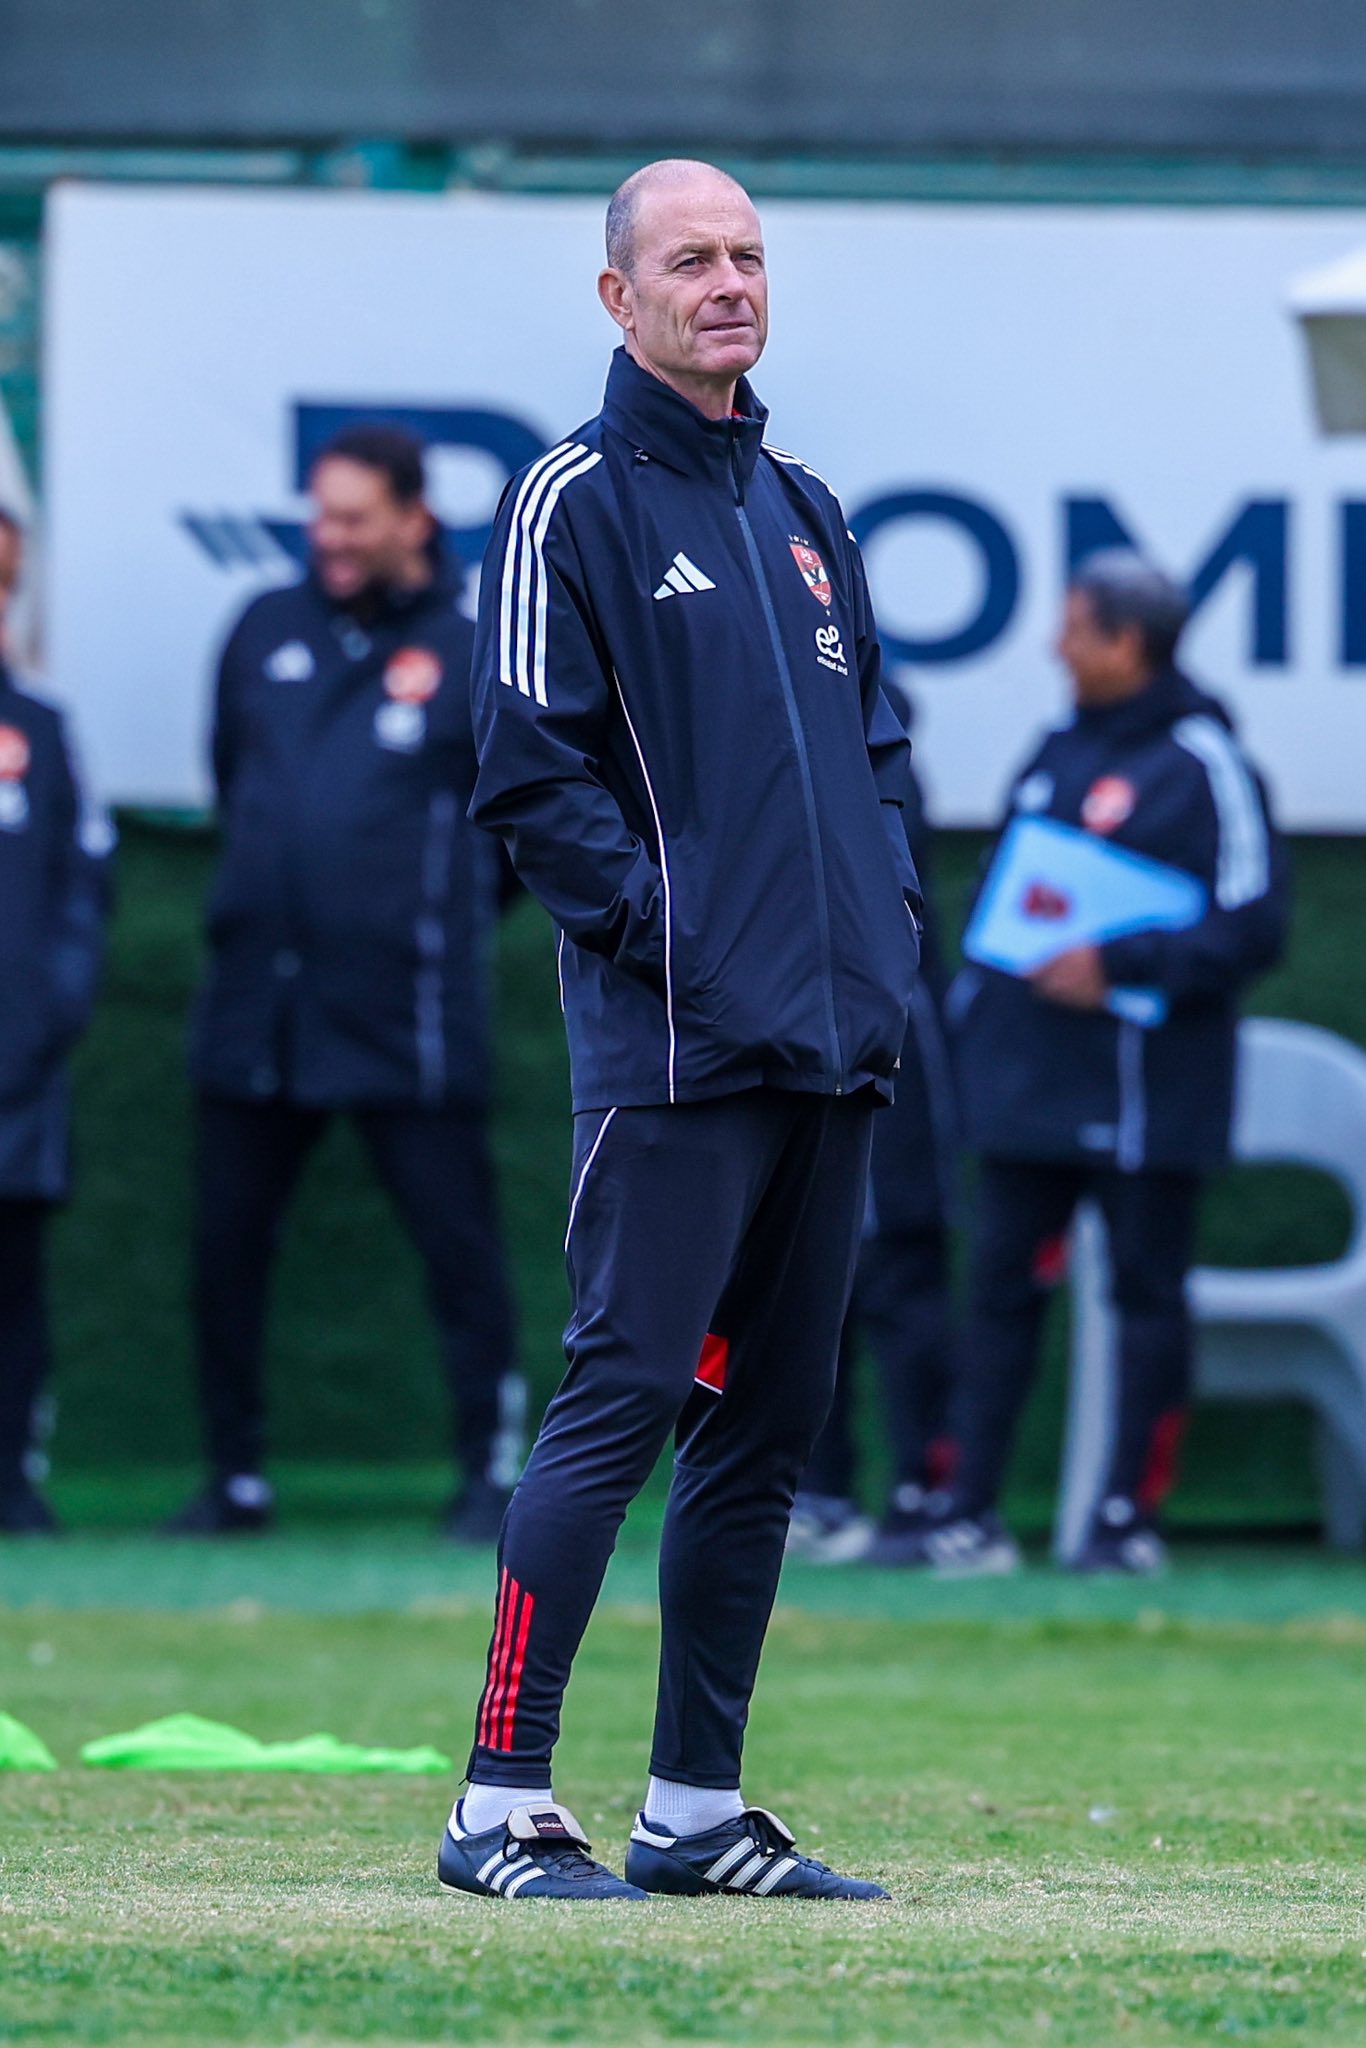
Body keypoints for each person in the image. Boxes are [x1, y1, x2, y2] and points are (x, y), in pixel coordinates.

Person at [436, 158, 923, 1903]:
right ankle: (497, 1802)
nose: (729, 283)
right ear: (618, 295)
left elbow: (876, 755)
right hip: (673, 1046)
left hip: (829, 1045)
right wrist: (678, 943)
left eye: (748, 256)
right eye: (692, 259)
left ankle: (693, 1809)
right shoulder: (568, 499)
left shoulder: (805, 505)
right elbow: (527, 774)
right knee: (621, 1398)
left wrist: (882, 937)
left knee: (765, 1427)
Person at [167, 425, 522, 1543]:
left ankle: (490, 1472)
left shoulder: (473, 651)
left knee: (460, 1250)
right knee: (225, 1250)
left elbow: (515, 842)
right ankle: (234, 1477)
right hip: (257, 1005)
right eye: (320, 514)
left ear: (415, 519)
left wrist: (412, 921)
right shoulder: (261, 628)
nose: (330, 536)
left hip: (404, 1012)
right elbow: (232, 777)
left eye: (354, 517)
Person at [915, 549, 1287, 1577]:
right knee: (999, 1292)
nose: (1055, 646)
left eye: (1074, 627)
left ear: (1127, 642)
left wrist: (1119, 962)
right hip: (1027, 1081)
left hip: (1144, 1092)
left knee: (1145, 1297)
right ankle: (968, 1510)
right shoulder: (1056, 749)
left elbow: (1255, 923)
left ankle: (1125, 1518)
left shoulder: (1206, 762)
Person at [787, 737, 958, 1564]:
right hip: (786, 1023)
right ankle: (817, 1490)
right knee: (801, 1267)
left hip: (880, 1027)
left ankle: (925, 1491)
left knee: (896, 1265)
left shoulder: (867, 742)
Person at [0, 505, 112, 1532]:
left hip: (17, 1074)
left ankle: (11, 1476)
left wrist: (47, 1019)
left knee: (15, 1283)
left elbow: (83, 893)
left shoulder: (39, 731)